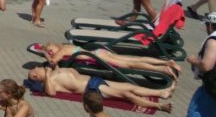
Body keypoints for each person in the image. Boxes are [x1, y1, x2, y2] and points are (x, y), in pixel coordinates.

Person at [28, 66, 173, 112]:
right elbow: (51, 93)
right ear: (35, 75)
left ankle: (161, 93)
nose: (38, 67)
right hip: (92, 87)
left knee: (129, 86)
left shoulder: (54, 72)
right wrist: (46, 74)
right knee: (126, 94)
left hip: (94, 80)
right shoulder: (51, 80)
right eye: (36, 69)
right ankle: (160, 106)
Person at [185, 11, 216, 117]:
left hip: (212, 91)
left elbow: (206, 64)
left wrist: (193, 60)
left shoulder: (213, 41)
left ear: (210, 25)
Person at [41, 42, 180, 77]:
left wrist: (46, 56)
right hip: (98, 52)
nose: (51, 53)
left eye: (50, 50)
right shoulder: (67, 46)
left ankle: (163, 69)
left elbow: (53, 63)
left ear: (54, 45)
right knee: (132, 59)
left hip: (98, 57)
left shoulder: (63, 50)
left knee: (130, 65)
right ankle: (166, 62)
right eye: (49, 52)